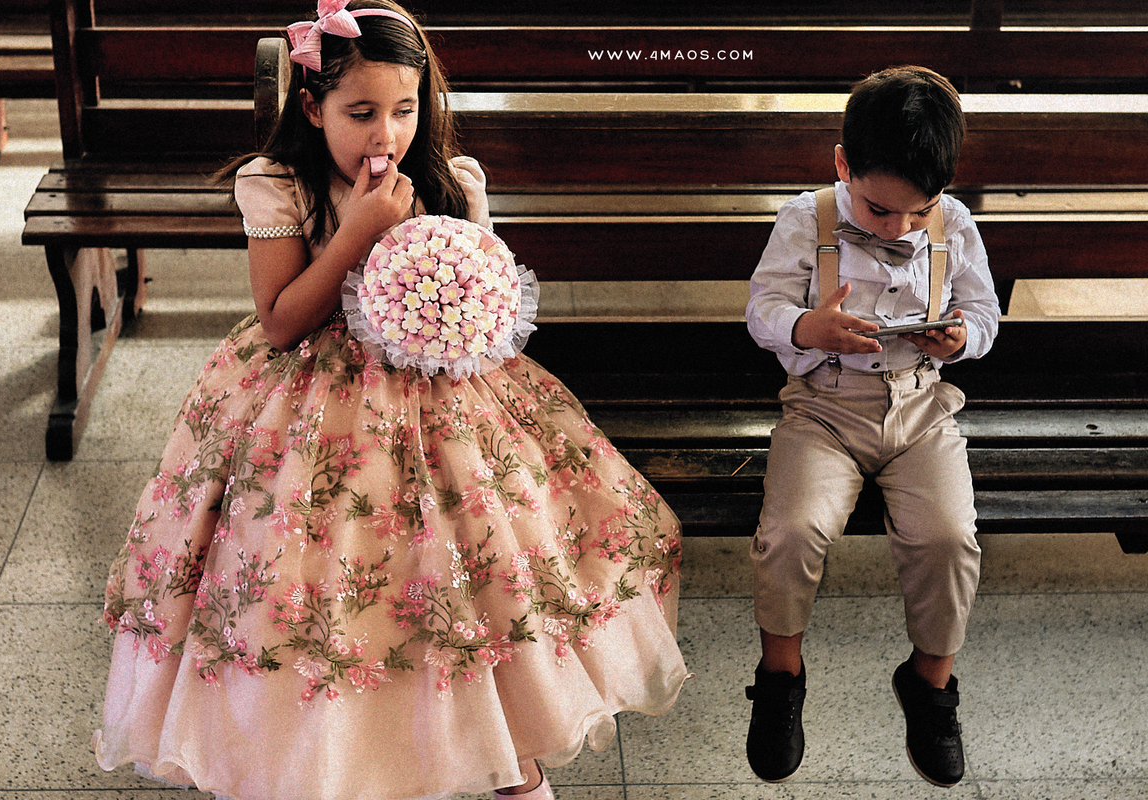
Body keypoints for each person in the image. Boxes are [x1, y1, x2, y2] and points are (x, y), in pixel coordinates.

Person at [91, 2, 688, 799]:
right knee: (334, 590)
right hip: (312, 416)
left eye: (404, 110)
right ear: (314, 108)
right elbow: (280, 322)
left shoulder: (453, 182)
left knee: (473, 577)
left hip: (447, 408)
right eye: (361, 113)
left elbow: (483, 298)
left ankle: (513, 760)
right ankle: (336, 755)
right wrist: (358, 232)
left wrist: (466, 309)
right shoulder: (279, 186)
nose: (386, 134)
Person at [742, 65, 1000, 787]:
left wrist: (961, 338)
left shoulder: (955, 224)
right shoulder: (807, 219)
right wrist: (807, 326)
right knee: (791, 531)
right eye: (880, 210)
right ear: (842, 165)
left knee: (949, 537)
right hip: (824, 408)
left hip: (920, 409)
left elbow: (985, 313)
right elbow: (762, 310)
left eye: (919, 212)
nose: (899, 228)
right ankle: (781, 676)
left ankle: (930, 681)